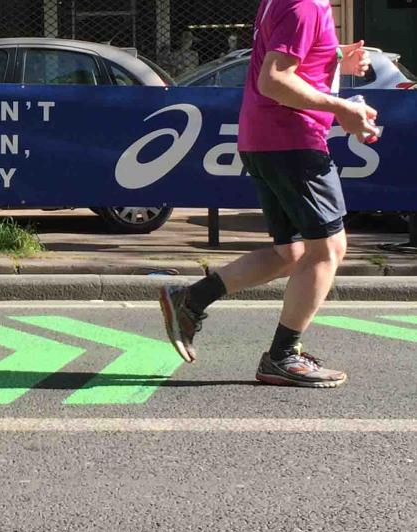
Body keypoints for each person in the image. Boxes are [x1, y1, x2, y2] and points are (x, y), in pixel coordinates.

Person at [158, 0, 378, 388]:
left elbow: (289, 54)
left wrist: (335, 57)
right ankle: (282, 356)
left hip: (264, 139)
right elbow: (274, 79)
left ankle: (192, 300)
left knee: (291, 253)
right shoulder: (305, 6)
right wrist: (342, 108)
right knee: (328, 249)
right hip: (292, 140)